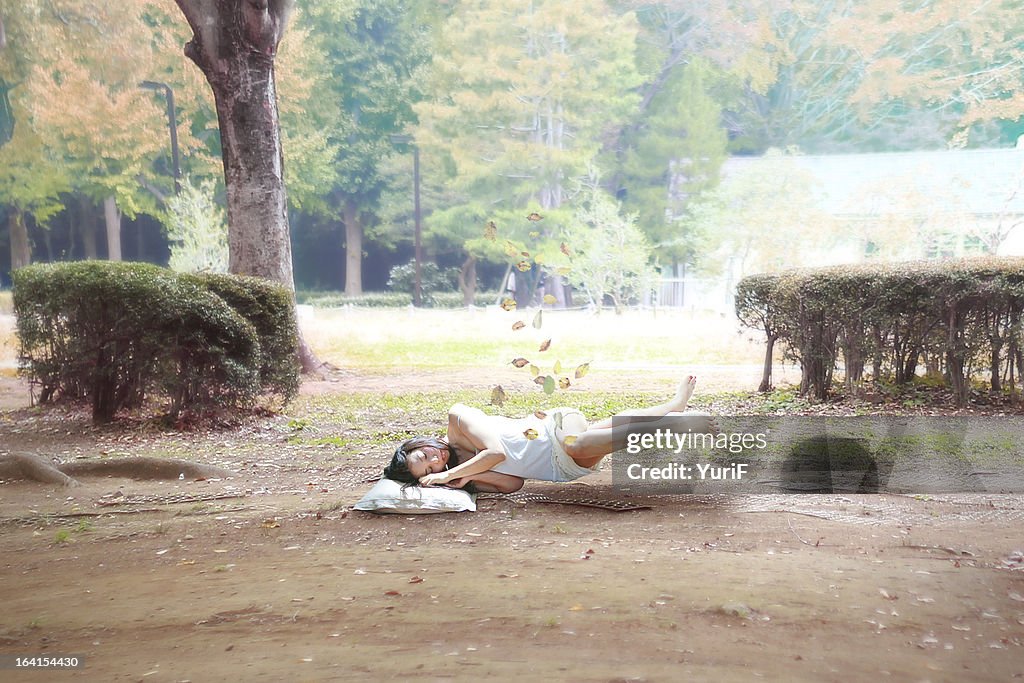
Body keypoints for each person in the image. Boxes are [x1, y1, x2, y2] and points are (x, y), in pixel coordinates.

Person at [383, 375, 715, 493]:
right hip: (560, 468)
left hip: (553, 430)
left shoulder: (458, 418)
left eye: (423, 455)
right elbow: (514, 483)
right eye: (428, 470)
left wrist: (449, 475)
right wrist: (465, 480)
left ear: (419, 443)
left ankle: (678, 424)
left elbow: (496, 452)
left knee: (583, 440)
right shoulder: (460, 472)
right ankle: (673, 406)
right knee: (612, 430)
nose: (433, 462)